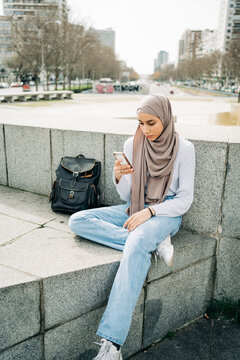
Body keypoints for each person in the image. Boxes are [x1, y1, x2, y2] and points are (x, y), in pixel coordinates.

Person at [68, 93, 195, 360]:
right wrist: (119, 177)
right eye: (140, 123)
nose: (145, 130)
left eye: (151, 123)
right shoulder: (132, 144)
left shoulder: (184, 149)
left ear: (166, 119)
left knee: (137, 242)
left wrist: (151, 212)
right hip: (135, 207)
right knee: (79, 220)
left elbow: (184, 200)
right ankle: (152, 242)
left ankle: (112, 345)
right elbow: (128, 196)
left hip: (166, 212)